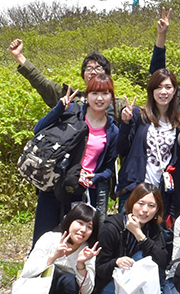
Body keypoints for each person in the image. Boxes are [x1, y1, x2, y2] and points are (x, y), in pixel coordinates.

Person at [30, 77, 120, 240]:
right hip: (54, 184)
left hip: (80, 192)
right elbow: (38, 129)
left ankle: (67, 267)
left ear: (112, 97)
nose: (99, 98)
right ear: (87, 95)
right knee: (43, 238)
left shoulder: (112, 130)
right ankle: (40, 266)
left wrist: (95, 178)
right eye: (94, 93)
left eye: (105, 93)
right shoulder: (73, 113)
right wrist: (58, 110)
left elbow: (108, 169)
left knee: (72, 241)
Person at [91, 183, 168, 294]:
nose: (145, 210)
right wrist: (116, 262)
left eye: (151, 206)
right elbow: (99, 269)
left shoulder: (153, 229)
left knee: (145, 259)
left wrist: (139, 234)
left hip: (134, 286)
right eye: (141, 203)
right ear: (132, 203)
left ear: (157, 210)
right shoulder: (112, 227)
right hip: (109, 285)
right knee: (140, 259)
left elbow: (162, 261)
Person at [116, 68, 180, 226]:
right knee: (126, 234)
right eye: (158, 87)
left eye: (168, 87)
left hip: (161, 193)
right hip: (134, 187)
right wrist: (125, 123)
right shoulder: (138, 115)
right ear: (151, 90)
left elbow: (179, 164)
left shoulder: (178, 124)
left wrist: (175, 205)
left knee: (152, 240)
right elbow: (122, 149)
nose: (163, 92)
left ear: (175, 91)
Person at [19, 203, 100, 294]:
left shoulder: (87, 252)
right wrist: (53, 257)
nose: (83, 230)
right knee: (53, 271)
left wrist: (81, 265)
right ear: (70, 221)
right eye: (80, 223)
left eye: (89, 227)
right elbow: (27, 272)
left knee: (69, 280)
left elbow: (87, 292)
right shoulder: (50, 239)